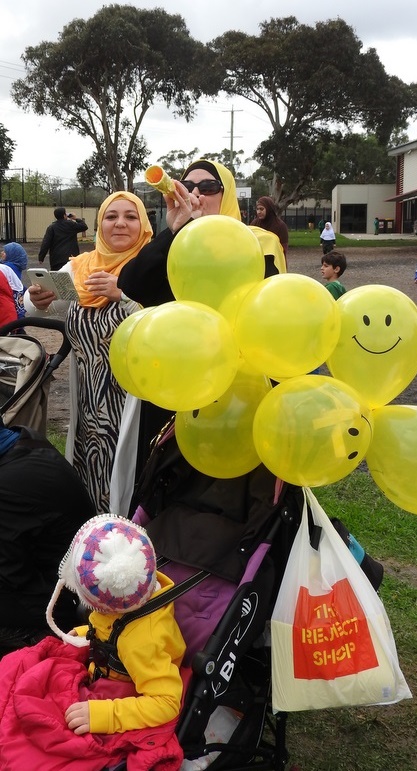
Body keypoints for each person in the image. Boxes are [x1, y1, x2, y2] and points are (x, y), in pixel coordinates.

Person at [113, 159, 283, 517]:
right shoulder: (178, 242)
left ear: (227, 195)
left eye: (208, 187)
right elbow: (132, 284)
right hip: (173, 384)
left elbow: (273, 317)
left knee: (226, 495)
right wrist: (173, 230)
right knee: (161, 491)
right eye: (189, 185)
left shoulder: (259, 243)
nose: (196, 193)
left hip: (235, 388)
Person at [0, 515, 185, 768]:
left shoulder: (142, 643)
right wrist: (86, 631)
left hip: (120, 691)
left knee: (29, 734)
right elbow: (110, 626)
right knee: (16, 672)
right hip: (107, 663)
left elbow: (167, 703)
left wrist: (106, 715)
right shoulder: (135, 588)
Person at [24, 192, 153, 514]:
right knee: (91, 476)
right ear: (98, 225)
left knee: (132, 484)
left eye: (130, 216)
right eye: (111, 217)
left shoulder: (152, 266)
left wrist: (122, 295)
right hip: (89, 406)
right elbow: (43, 304)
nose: (120, 223)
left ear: (144, 224)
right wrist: (37, 298)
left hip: (136, 406)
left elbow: (165, 327)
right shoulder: (81, 267)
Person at [0, 422, 95, 655]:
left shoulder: (9, 487)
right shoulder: (22, 440)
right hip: (67, 586)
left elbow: (11, 576)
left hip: (60, 613)